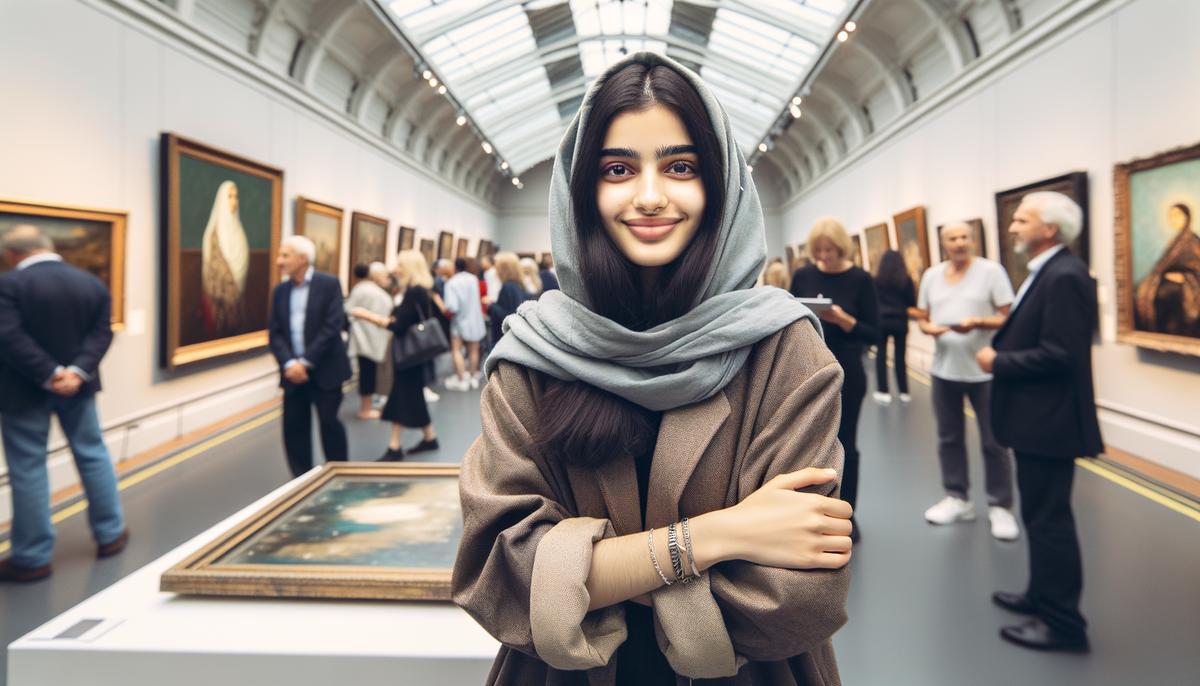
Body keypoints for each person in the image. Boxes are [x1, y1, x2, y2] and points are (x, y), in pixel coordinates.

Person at [453, 53, 851, 685]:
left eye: (680, 166)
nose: (649, 196)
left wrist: (584, 578)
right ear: (582, 189)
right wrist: (720, 536)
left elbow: (796, 599)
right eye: (618, 169)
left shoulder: (784, 350)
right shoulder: (534, 354)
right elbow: (500, 575)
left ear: (720, 184)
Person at [977, 191, 1102, 653]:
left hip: (1050, 422)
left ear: (1049, 229)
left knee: (1050, 520)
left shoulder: (1065, 275)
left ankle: (1064, 624)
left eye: (1022, 220)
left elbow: (1061, 354)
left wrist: (998, 360)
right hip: (1038, 420)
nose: (1012, 227)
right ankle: (1041, 595)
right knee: (1038, 514)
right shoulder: (1048, 271)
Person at [0, 225, 128, 582]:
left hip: (23, 390)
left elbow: (8, 336)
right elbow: (102, 332)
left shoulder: (8, 285)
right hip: (80, 388)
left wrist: (50, 373)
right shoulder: (89, 283)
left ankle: (33, 557)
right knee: (92, 454)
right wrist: (75, 372)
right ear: (48, 246)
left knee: (28, 467)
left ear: (12, 254)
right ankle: (111, 534)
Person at [916, 223, 1018, 540]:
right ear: (943, 243)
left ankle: (1000, 506)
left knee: (994, 441)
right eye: (952, 238)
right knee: (949, 438)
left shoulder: (991, 272)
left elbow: (1008, 315)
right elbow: (923, 315)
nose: (959, 242)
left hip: (985, 370)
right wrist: (928, 328)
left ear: (972, 240)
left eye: (964, 237)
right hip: (945, 369)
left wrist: (978, 322)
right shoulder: (932, 275)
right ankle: (958, 498)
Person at [790, 216, 879, 541]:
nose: (824, 256)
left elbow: (875, 333)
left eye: (830, 250)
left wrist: (845, 320)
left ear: (842, 247)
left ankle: (847, 515)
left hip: (848, 371)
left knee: (847, 445)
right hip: (807, 369)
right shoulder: (803, 275)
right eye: (819, 250)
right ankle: (812, 514)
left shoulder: (860, 279)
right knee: (808, 446)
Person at [268, 235, 351, 478]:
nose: (278, 261)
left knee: (330, 425)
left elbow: (332, 326)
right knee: (294, 430)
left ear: (303, 259)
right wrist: (290, 363)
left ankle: (340, 477)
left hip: (325, 370)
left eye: (285, 255)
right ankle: (301, 482)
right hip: (292, 374)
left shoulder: (329, 284)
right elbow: (275, 333)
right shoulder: (280, 291)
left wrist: (305, 362)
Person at [351, 249, 440, 461]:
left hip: (408, 356)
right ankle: (429, 438)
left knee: (400, 396)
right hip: (411, 355)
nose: (395, 269)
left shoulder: (414, 291)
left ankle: (395, 446)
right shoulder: (416, 290)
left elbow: (399, 325)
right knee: (411, 396)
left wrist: (368, 316)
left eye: (399, 265)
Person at [1134, 203, 1200, 336]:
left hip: (1188, 285)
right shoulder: (1174, 241)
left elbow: (1196, 266)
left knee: (1163, 295)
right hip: (1168, 280)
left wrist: (1184, 276)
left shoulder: (1193, 240)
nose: (1173, 219)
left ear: (1187, 217)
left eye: (1177, 215)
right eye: (1171, 216)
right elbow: (1163, 266)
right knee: (1139, 290)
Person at [200, 180, 249, 336]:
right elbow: (215, 271)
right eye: (229, 196)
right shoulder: (214, 234)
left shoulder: (240, 234)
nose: (234, 201)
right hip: (218, 302)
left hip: (238, 302)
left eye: (236, 197)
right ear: (222, 200)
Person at [345, 262, 393, 419]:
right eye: (385, 275)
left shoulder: (364, 289)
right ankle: (366, 409)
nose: (388, 278)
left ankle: (367, 406)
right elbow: (349, 310)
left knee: (368, 372)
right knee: (368, 373)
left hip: (370, 337)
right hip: (368, 337)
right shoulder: (368, 290)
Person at [871, 250, 914, 404]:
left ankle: (883, 391)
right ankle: (904, 392)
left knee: (881, 356)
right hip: (900, 321)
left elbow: (872, 301)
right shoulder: (906, 280)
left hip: (881, 321)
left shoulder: (876, 280)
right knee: (900, 357)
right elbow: (911, 302)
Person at [444, 257, 486, 391]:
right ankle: (473, 377)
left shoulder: (451, 283)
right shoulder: (473, 279)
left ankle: (461, 380)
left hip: (459, 321)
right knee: (474, 350)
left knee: (457, 350)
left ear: (454, 267)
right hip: (474, 319)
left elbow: (452, 307)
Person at [487, 251, 530, 343]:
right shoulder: (516, 285)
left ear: (503, 269)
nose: (496, 271)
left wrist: (491, 305)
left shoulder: (508, 287)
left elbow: (508, 315)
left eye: (497, 267)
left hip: (504, 338)